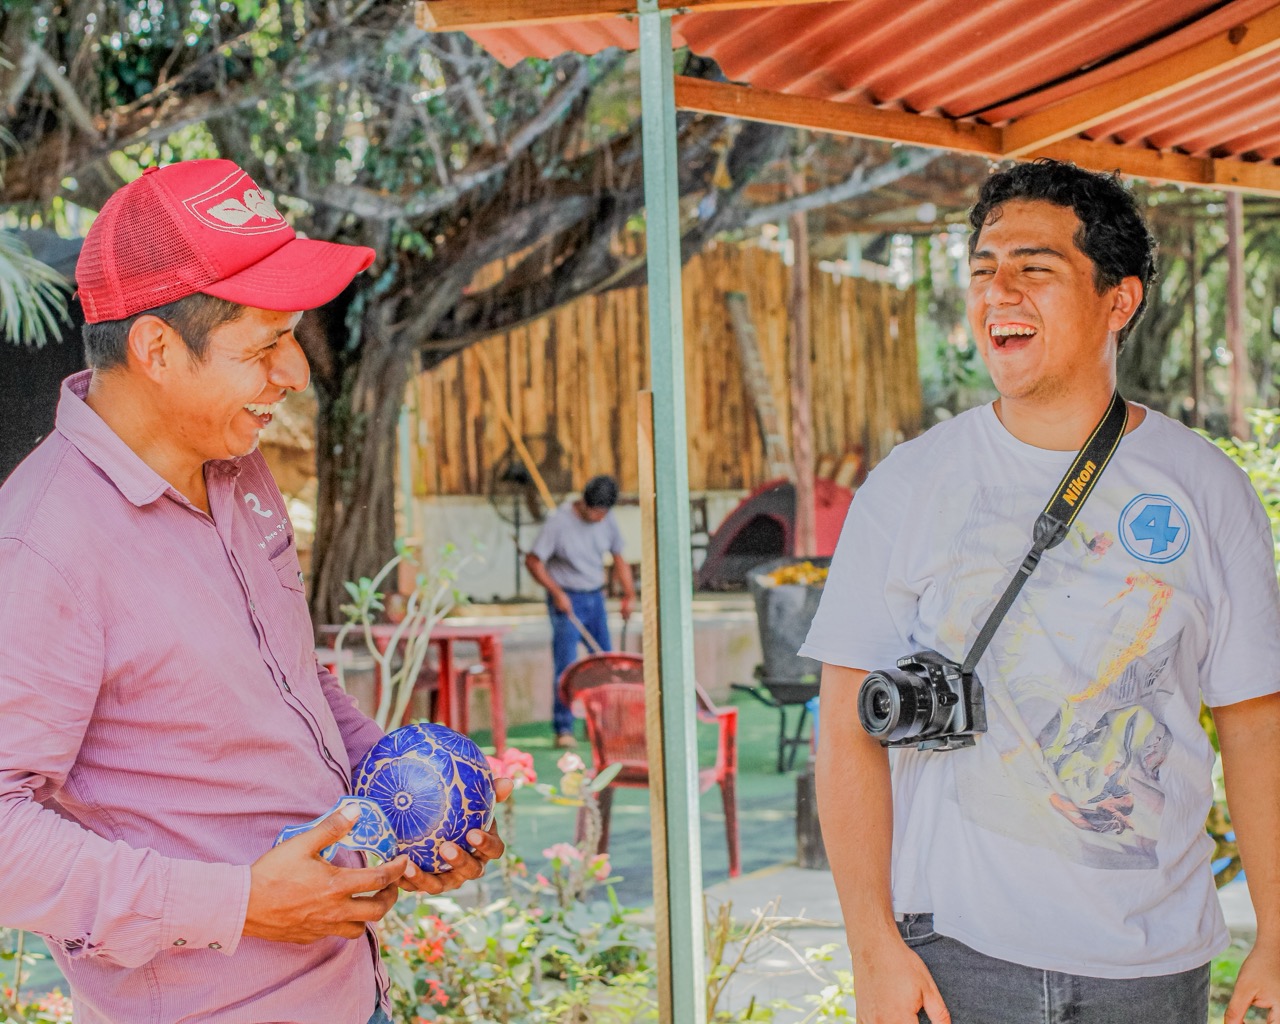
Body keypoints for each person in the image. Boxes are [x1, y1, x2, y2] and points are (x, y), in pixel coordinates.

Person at [0, 159, 512, 1024]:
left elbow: (290, 683)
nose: (297, 373)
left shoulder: (237, 472)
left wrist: (408, 797)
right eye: (265, 344)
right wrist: (236, 903)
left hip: (349, 994)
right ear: (156, 349)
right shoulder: (44, 545)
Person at [803, 160, 1280, 1024]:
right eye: (984, 269)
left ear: (1119, 300)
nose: (999, 292)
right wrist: (873, 948)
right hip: (953, 959)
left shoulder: (1206, 490)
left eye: (1035, 268)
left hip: (1151, 962)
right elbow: (845, 728)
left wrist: (1279, 940)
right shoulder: (909, 485)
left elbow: (1256, 726)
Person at [525, 474, 635, 748]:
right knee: (567, 666)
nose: (599, 518)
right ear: (584, 504)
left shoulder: (607, 519)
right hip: (567, 600)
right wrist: (557, 592)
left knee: (604, 663)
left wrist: (629, 595)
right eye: (595, 512)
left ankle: (601, 724)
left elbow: (619, 557)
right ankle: (564, 728)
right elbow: (534, 561)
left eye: (603, 512)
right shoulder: (559, 523)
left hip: (595, 598)